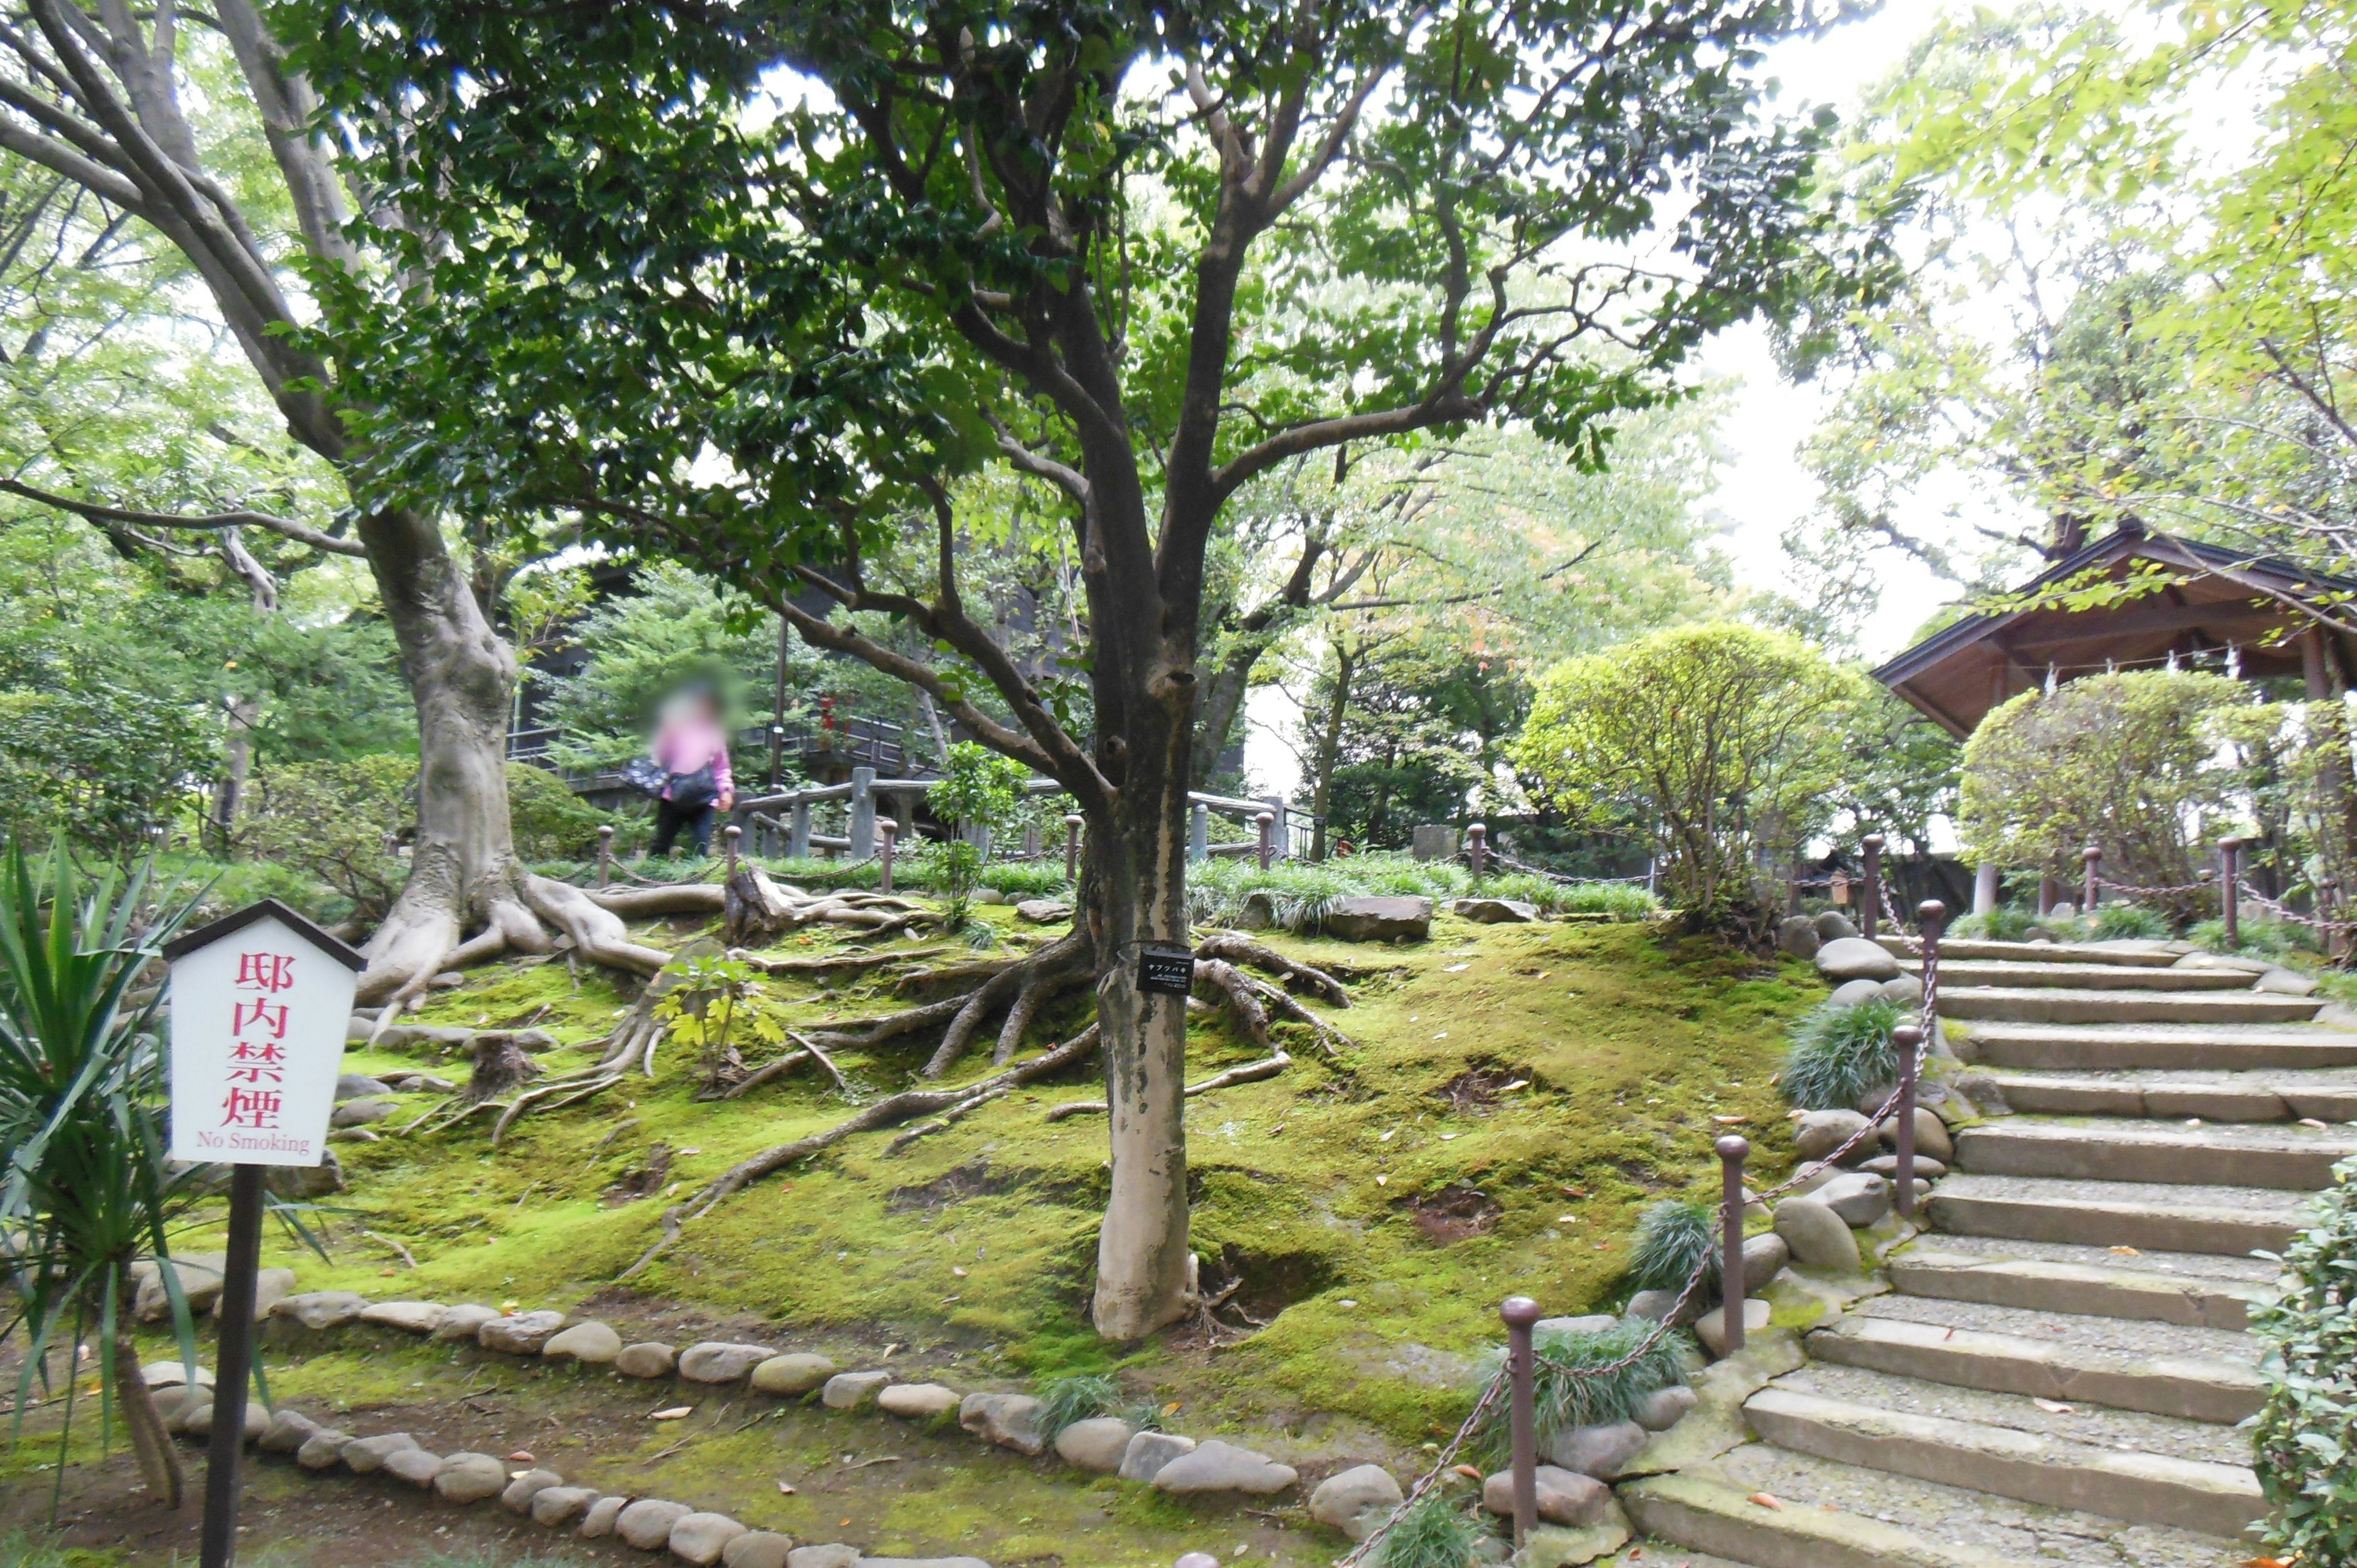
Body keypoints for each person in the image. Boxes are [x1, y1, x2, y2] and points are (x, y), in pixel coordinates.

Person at [646, 684, 735, 857]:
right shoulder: (676, 727)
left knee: (700, 845)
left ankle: (697, 879)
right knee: (662, 843)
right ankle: (651, 880)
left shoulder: (714, 733)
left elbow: (721, 767)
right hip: (674, 795)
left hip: (704, 796)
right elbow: (660, 757)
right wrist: (667, 735)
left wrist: (726, 791)